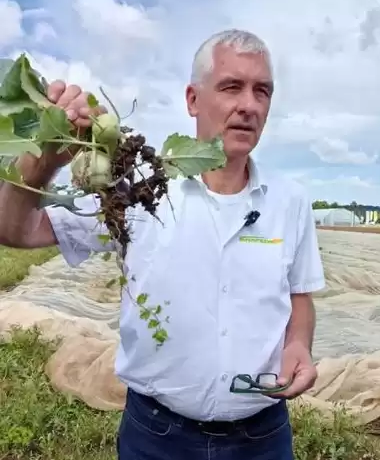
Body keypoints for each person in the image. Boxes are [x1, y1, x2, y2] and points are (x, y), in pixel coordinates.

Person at [0, 29, 325, 459]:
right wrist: (41, 163)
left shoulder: (291, 200)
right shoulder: (138, 190)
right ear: (193, 99)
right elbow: (16, 230)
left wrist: (298, 344)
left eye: (262, 91)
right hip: (157, 437)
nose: (249, 104)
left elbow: (299, 295)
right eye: (232, 87)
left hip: (262, 438)